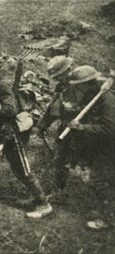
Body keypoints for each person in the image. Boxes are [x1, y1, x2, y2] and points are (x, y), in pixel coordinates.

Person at [0, 55, 52, 219]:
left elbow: (9, 110)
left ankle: (43, 203)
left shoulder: (2, 84)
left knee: (21, 169)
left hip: (10, 134)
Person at [58, 66, 115, 230]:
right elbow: (85, 111)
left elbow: (110, 128)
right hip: (101, 147)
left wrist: (83, 128)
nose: (76, 88)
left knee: (100, 181)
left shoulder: (107, 99)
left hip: (110, 148)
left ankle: (108, 219)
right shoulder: (93, 95)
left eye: (78, 85)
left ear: (88, 83)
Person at [36, 56, 76, 195]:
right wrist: (42, 125)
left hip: (82, 129)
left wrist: (75, 108)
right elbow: (53, 108)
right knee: (60, 159)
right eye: (56, 77)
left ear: (68, 70)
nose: (57, 79)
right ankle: (58, 192)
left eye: (59, 76)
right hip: (66, 128)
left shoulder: (81, 85)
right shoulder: (60, 87)